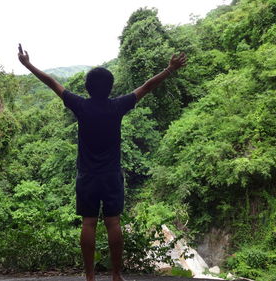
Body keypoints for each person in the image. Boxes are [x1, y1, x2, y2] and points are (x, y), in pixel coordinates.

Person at [18, 44, 186, 281]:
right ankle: (116, 275)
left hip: (87, 175)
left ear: (87, 87)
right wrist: (169, 69)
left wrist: (28, 65)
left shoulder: (81, 105)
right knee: (113, 222)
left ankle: (89, 276)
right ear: (111, 87)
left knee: (88, 223)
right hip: (111, 175)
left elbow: (52, 83)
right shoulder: (117, 106)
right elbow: (147, 86)